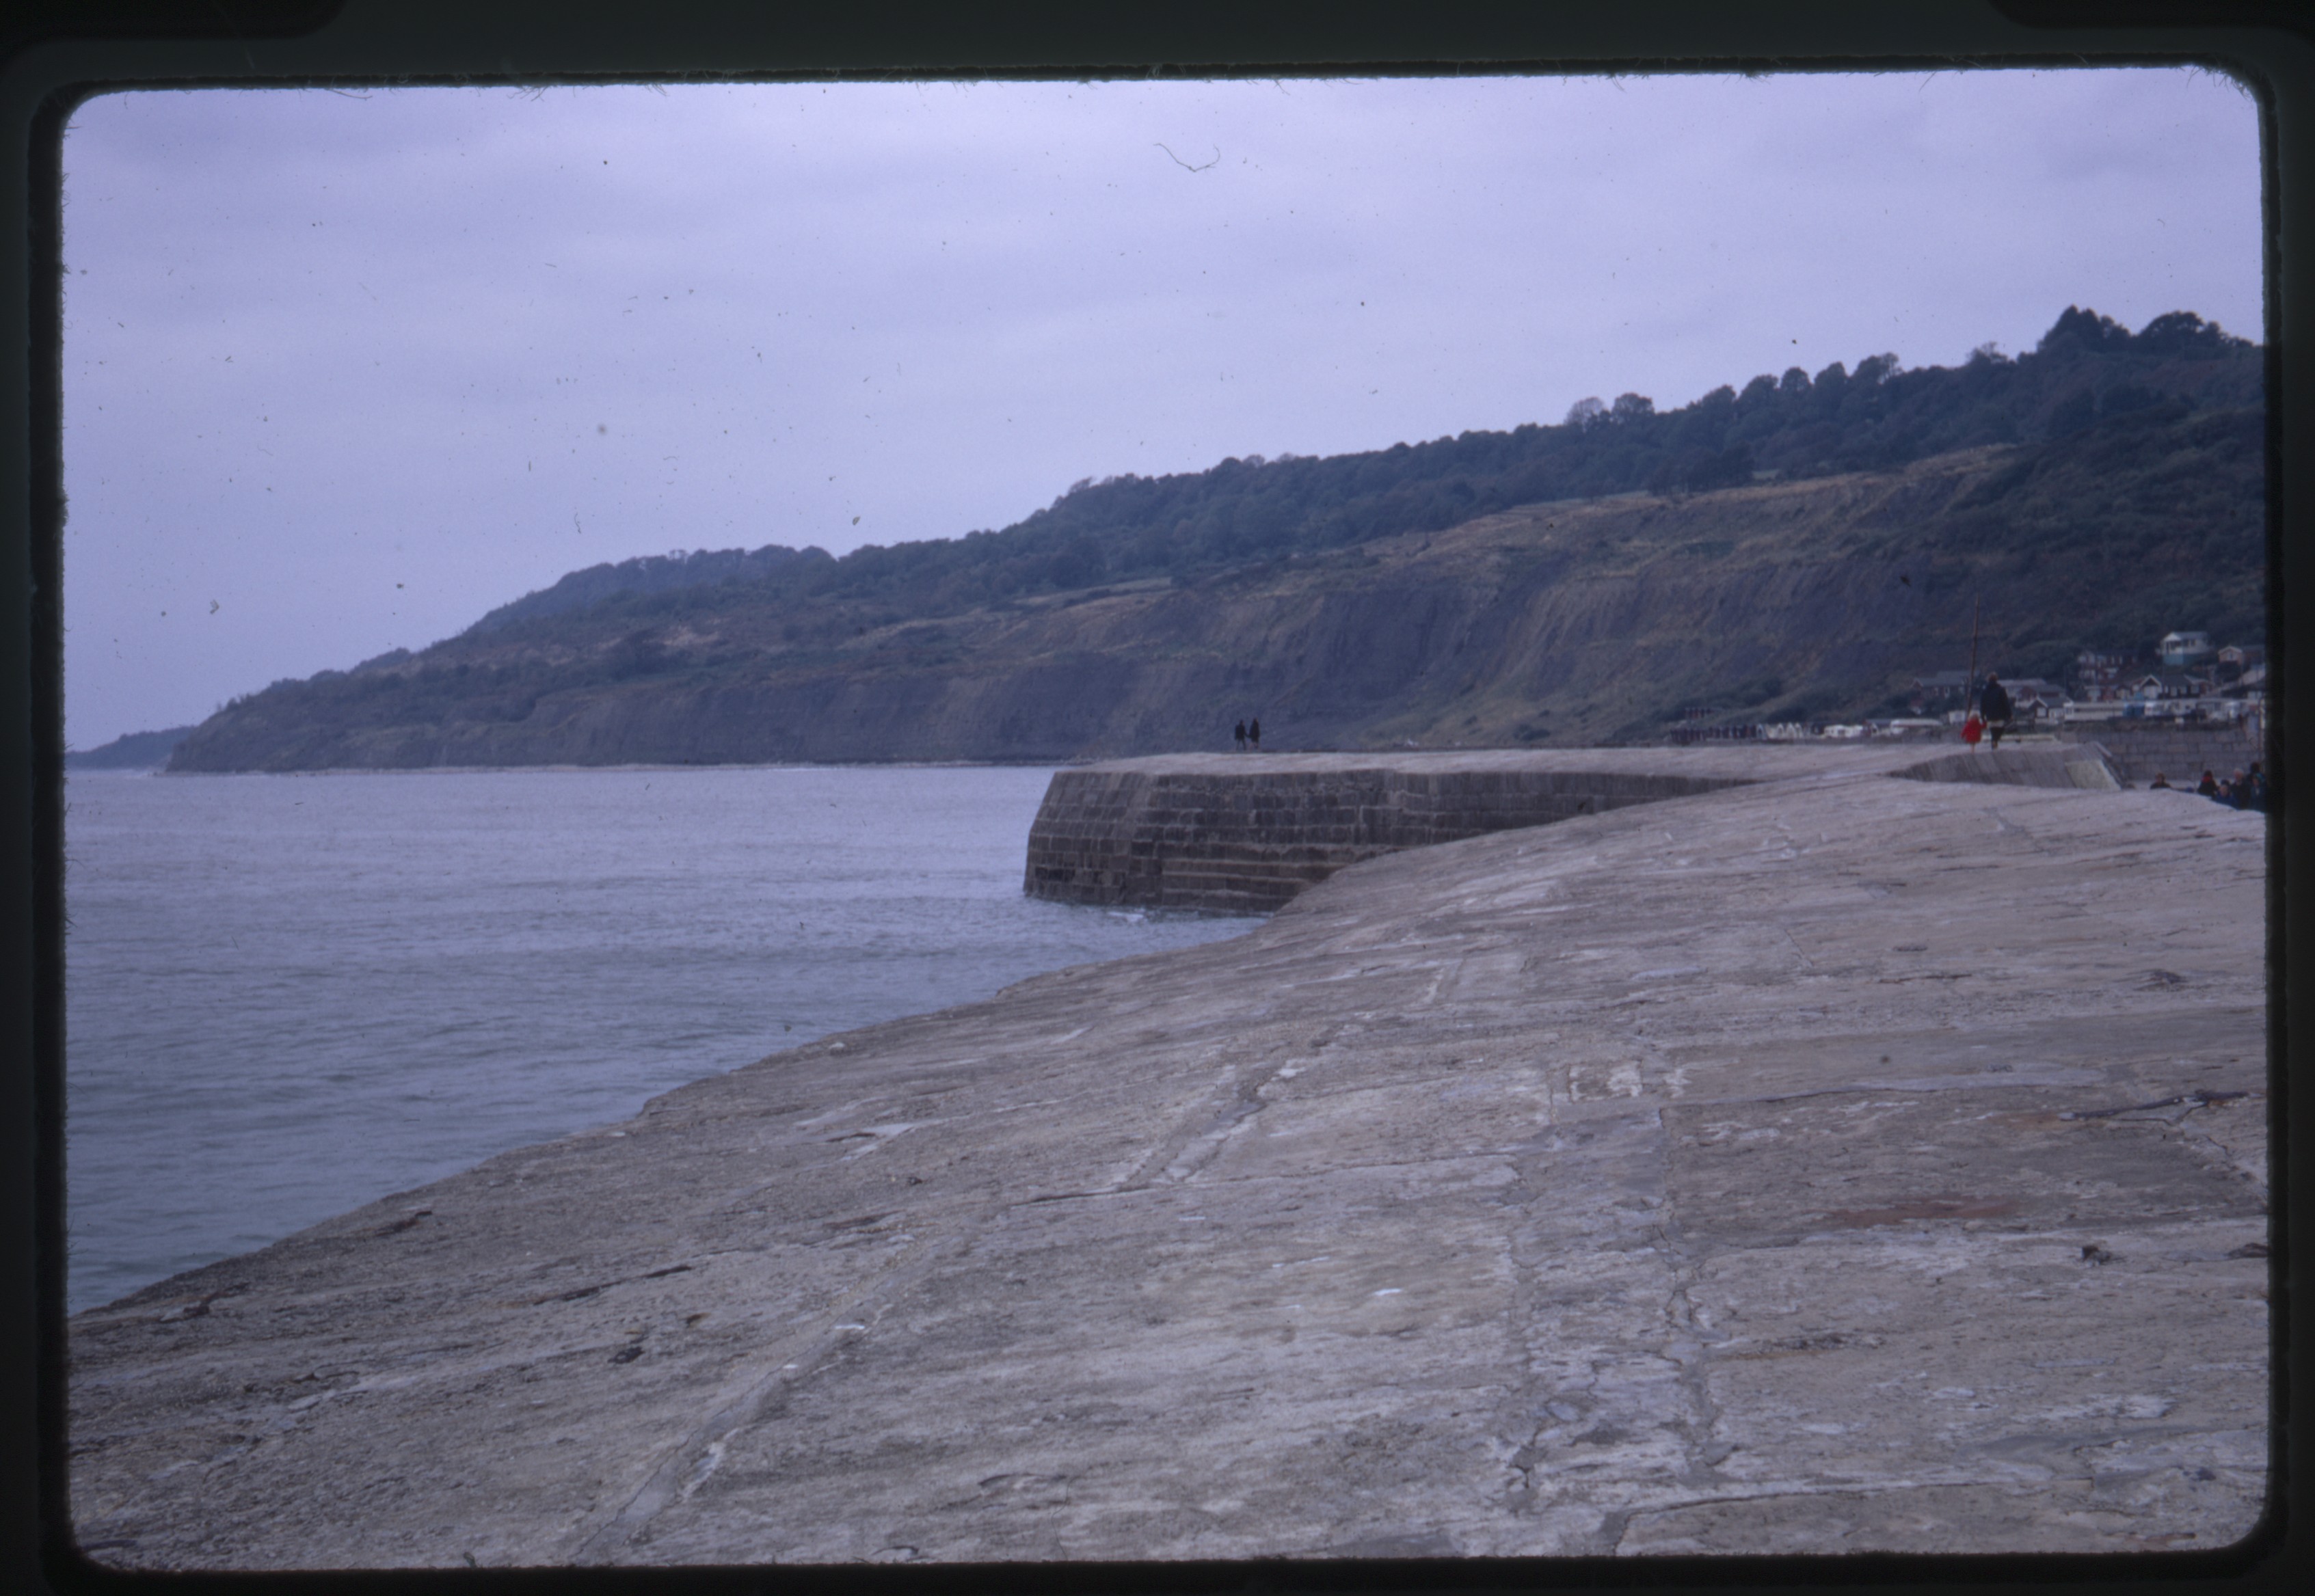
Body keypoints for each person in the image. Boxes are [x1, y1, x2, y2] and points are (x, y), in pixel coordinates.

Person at [1979, 673, 2013, 750]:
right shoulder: (2001, 690)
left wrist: (1982, 716)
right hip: (2000, 714)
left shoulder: (1984, 692)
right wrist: (2010, 714)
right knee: (2001, 729)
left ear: (1988, 680)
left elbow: (1982, 705)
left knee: (1993, 730)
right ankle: (1995, 741)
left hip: (1989, 715)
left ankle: (1994, 743)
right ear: (1996, 679)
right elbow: (2006, 703)